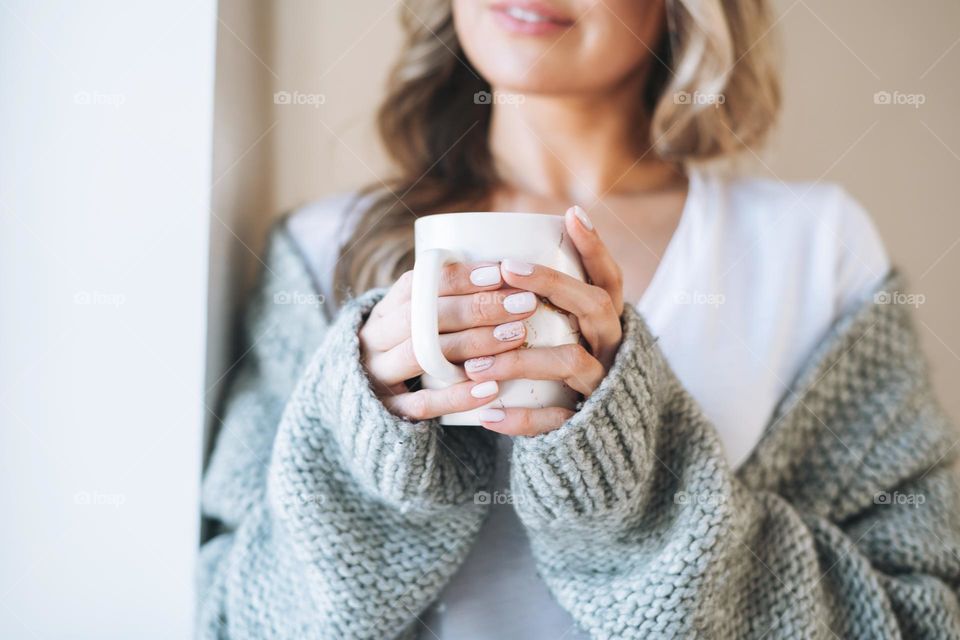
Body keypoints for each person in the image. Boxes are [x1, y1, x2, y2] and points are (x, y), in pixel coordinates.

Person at [197, 1, 960, 638]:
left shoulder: (811, 250)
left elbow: (917, 616)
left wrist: (636, 485)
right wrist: (365, 459)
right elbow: (229, 617)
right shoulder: (319, 254)